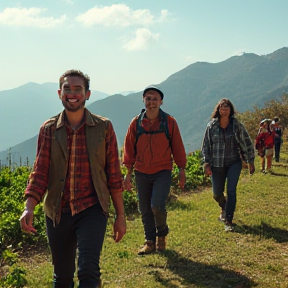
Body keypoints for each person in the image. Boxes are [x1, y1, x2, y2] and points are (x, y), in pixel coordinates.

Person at [19, 69, 126, 288]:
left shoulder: (103, 127)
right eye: (67, 89)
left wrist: (120, 215)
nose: (72, 93)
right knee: (63, 276)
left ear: (87, 94)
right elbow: (40, 172)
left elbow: (113, 174)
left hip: (92, 208)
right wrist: (29, 207)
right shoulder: (49, 129)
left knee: (88, 270)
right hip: (58, 211)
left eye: (78, 89)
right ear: (60, 93)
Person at [123, 86, 186, 255]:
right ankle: (149, 242)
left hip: (162, 171)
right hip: (141, 171)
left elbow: (178, 147)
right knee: (144, 209)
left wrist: (182, 169)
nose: (151, 102)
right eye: (148, 98)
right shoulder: (136, 123)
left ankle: (162, 233)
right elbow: (129, 150)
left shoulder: (169, 122)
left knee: (157, 205)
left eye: (155, 99)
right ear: (143, 100)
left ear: (161, 102)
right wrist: (127, 175)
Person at [201, 98, 255, 232]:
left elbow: (246, 142)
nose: (224, 110)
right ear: (218, 110)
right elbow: (206, 146)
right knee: (217, 193)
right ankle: (224, 207)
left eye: (227, 107)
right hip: (216, 164)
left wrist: (250, 161)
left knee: (231, 190)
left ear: (231, 110)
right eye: (222, 107)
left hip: (233, 163)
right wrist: (206, 163)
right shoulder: (211, 126)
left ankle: (228, 219)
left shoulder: (236, 125)